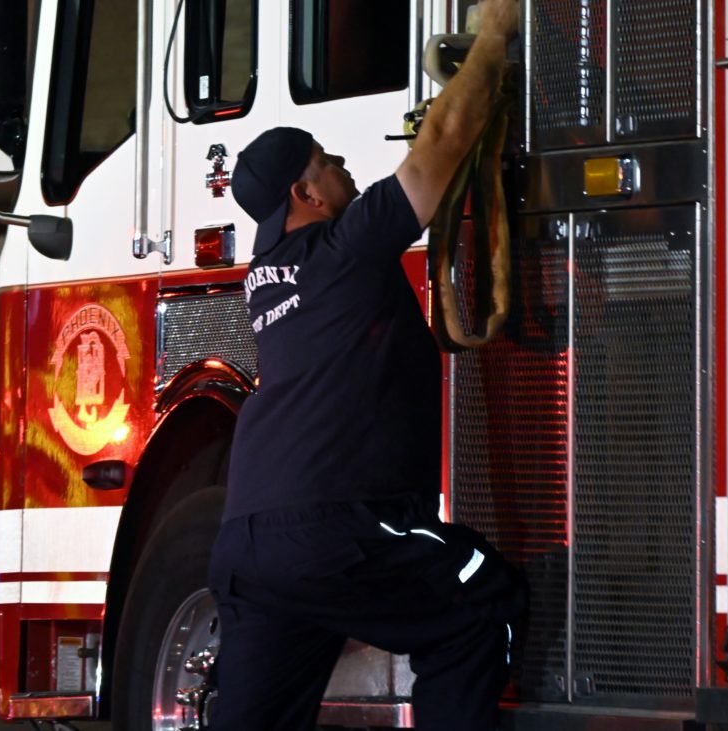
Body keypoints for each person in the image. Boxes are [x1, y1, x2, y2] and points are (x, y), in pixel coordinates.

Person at [209, 1, 526, 728]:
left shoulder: (265, 278)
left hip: (248, 547)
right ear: (306, 193)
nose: (343, 164)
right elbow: (443, 142)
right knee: (483, 597)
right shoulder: (343, 249)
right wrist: (493, 37)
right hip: (333, 528)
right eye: (327, 161)